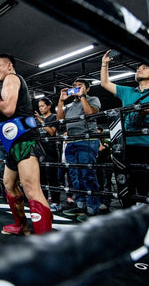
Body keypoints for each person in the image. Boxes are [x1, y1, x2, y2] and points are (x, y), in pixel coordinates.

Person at [0, 53, 52, 235]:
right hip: (13, 143)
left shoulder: (12, 78)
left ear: (9, 66)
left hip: (24, 141)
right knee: (9, 184)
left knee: (32, 189)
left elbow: (7, 109)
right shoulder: (7, 85)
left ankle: (45, 241)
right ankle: (21, 227)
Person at [101, 50, 149, 204]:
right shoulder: (128, 91)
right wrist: (104, 64)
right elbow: (105, 83)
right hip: (126, 145)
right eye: (138, 67)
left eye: (145, 67)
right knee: (127, 186)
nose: (140, 69)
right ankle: (131, 220)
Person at [57, 78, 101, 220]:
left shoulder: (93, 99)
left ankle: (92, 208)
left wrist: (82, 96)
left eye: (80, 86)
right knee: (74, 175)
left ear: (87, 88)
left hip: (87, 140)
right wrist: (61, 101)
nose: (76, 88)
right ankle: (80, 205)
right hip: (72, 141)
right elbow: (60, 120)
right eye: (74, 86)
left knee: (87, 174)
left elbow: (91, 113)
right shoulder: (70, 105)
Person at [34, 97, 61, 212]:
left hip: (51, 151)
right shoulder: (38, 119)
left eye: (43, 106)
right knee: (41, 178)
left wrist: (41, 121)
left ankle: (56, 202)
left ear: (49, 105)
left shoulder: (53, 117)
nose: (41, 108)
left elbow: (52, 132)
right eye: (39, 106)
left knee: (53, 178)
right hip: (40, 152)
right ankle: (43, 200)